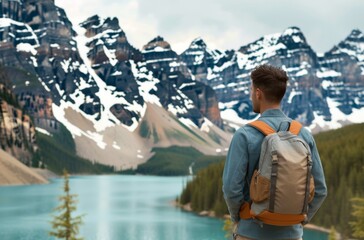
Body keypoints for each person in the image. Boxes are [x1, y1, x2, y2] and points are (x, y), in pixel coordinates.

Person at [222, 64, 327, 240]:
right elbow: (320, 190)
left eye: (251, 90)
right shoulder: (303, 135)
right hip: (292, 235)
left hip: (251, 233)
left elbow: (231, 189)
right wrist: (298, 222)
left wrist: (239, 220)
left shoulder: (245, 135)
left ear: (258, 93)